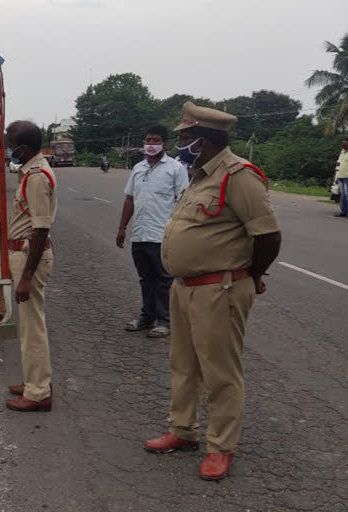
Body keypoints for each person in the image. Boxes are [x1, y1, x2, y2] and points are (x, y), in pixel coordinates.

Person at [144, 101, 282, 481]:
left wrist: (252, 275)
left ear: (203, 141)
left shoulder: (239, 175)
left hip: (219, 289)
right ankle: (182, 430)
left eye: (186, 137)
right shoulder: (198, 175)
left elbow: (268, 235)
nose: (180, 143)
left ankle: (222, 447)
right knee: (183, 365)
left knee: (220, 371)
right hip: (185, 288)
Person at [4, 121, 57, 412]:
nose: (9, 151)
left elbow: (40, 229)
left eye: (11, 146)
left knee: (33, 328)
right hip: (25, 254)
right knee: (28, 326)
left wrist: (26, 277)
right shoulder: (30, 171)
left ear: (23, 149)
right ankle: (34, 381)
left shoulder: (36, 177)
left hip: (29, 257)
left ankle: (38, 393)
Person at [117, 125, 189, 338]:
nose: (150, 144)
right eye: (148, 140)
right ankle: (146, 317)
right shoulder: (138, 168)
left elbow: (183, 202)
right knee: (145, 278)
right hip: (140, 234)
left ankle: (164, 321)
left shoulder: (176, 169)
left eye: (155, 140)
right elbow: (129, 199)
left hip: (163, 235)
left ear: (164, 143)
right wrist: (122, 227)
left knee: (164, 279)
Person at [334, 137, 348, 217]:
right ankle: (344, 211)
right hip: (340, 176)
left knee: (347, 194)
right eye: (342, 144)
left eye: (344, 144)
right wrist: (336, 176)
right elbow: (338, 164)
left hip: (347, 177)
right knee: (343, 195)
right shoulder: (342, 152)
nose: (342, 146)